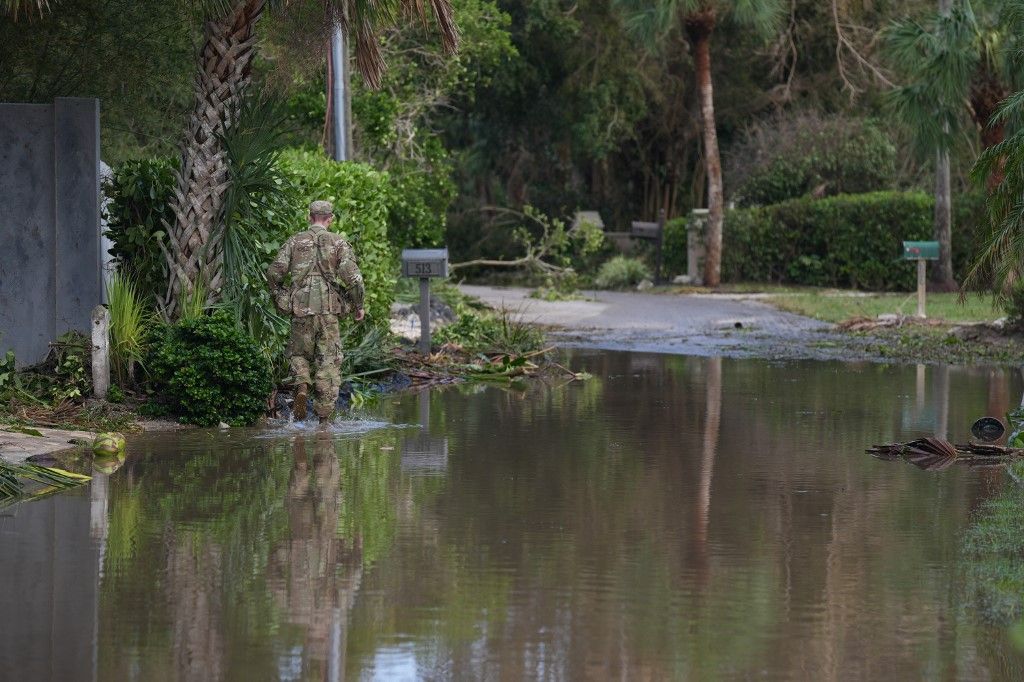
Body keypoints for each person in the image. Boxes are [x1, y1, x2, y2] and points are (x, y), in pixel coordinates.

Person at [268, 200, 365, 424]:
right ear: (330, 219)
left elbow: (274, 272)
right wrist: (358, 306)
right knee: (328, 361)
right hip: (329, 310)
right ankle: (323, 418)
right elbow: (354, 279)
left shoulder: (295, 241)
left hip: (300, 308)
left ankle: (302, 384)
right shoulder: (338, 242)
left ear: (309, 217)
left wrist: (280, 296)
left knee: (298, 354)